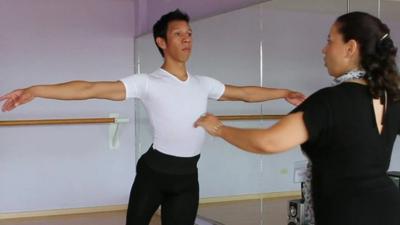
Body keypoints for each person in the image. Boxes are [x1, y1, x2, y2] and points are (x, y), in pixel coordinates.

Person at [0, 9, 305, 225]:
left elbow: (245, 94)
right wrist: (36, 89)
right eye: (178, 34)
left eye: (189, 33)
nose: (187, 39)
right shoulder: (147, 82)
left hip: (188, 178)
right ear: (161, 42)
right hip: (153, 174)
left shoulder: (204, 83)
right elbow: (90, 88)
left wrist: (282, 92)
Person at [195, 11, 400, 225]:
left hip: (347, 213)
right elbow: (355, 127)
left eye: (330, 41)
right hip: (389, 209)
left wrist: (219, 128)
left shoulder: (330, 101)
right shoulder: (390, 97)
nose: (324, 49)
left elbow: (268, 142)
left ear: (350, 48)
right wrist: (315, 112)